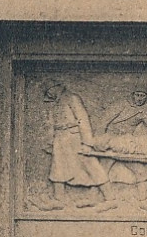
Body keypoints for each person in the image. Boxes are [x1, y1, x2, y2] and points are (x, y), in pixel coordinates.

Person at [37, 81, 107, 210]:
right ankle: (59, 199)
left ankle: (110, 197)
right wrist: (50, 142)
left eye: (50, 90)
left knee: (90, 164)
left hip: (74, 138)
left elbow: (83, 119)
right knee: (58, 167)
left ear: (57, 86)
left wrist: (87, 143)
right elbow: (53, 124)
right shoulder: (56, 103)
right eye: (47, 92)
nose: (49, 94)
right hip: (60, 138)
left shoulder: (72, 98)